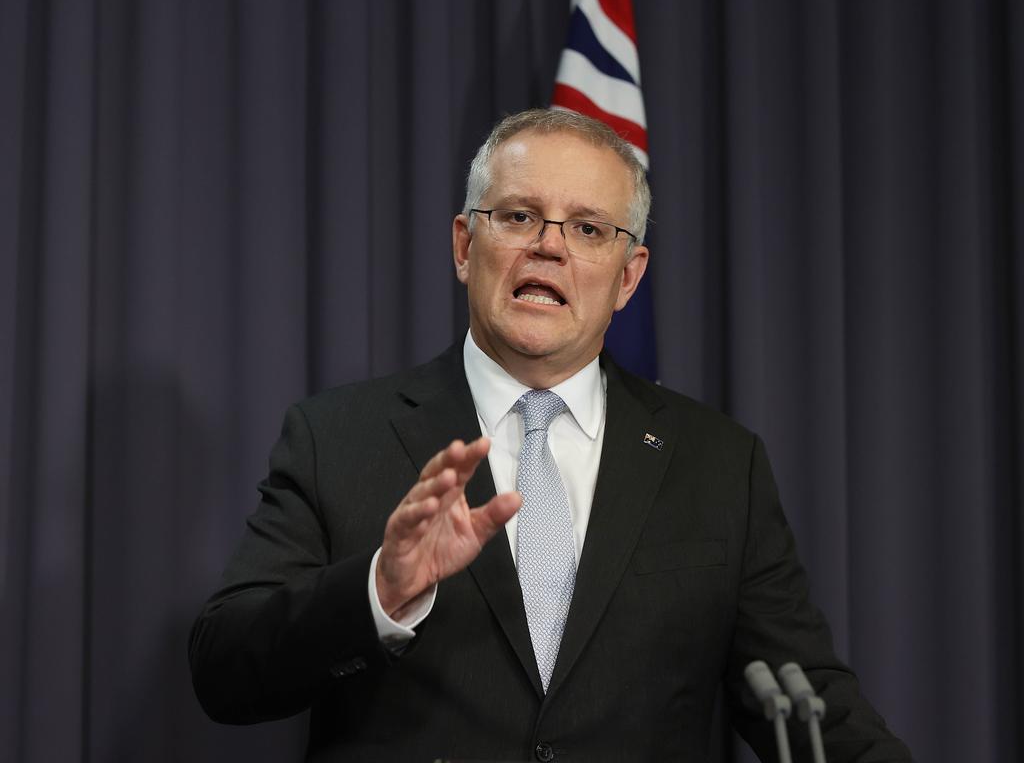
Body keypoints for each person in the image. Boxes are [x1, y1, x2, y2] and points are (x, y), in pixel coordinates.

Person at [189, 109, 911, 762]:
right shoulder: (338, 435)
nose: (549, 248)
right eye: (519, 217)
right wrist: (381, 590)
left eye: (589, 228)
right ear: (465, 245)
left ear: (629, 278)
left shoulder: (719, 463)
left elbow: (806, 696)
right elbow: (225, 671)